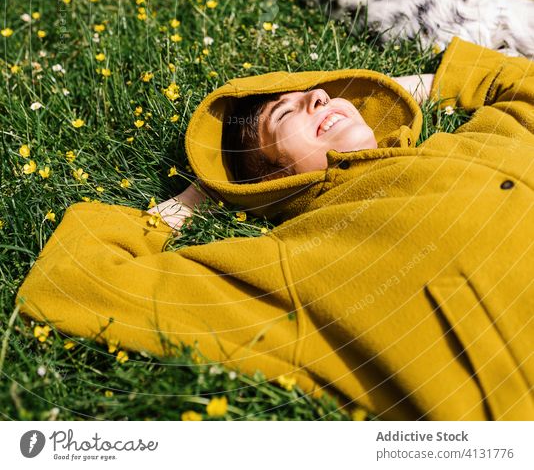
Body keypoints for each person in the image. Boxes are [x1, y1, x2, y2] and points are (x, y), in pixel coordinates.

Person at [17, 37, 534, 421]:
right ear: (269, 182)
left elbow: (519, 83)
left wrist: (413, 88)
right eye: (283, 114)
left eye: (324, 92)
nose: (317, 96)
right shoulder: (298, 260)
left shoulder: (481, 136)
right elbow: (76, 282)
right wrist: (196, 198)